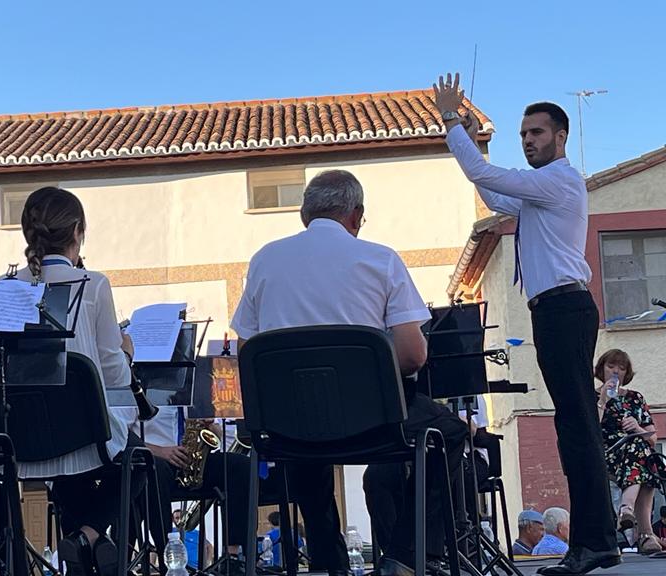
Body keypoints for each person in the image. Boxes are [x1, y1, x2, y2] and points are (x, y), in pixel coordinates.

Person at [231, 169, 467, 576]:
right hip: (372, 422)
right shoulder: (380, 259)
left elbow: (247, 351)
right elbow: (412, 356)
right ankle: (406, 558)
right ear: (356, 215)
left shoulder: (264, 260)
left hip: (288, 424)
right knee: (449, 433)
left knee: (307, 443)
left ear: (306, 214)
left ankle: (328, 562)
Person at [434, 73, 619, 575]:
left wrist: (451, 120)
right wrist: (473, 144)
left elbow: (489, 178)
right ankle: (597, 540)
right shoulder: (541, 192)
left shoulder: (559, 179)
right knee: (574, 425)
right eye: (523, 136)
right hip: (557, 309)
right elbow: (495, 195)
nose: (529, 141)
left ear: (560, 136)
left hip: (563, 308)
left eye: (536, 133)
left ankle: (595, 542)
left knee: (577, 427)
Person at [11, 186, 143, 576]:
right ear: (78, 232)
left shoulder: (7, 287)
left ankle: (82, 548)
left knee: (71, 460)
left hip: (24, 434)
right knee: (134, 455)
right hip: (83, 431)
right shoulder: (93, 284)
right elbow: (111, 369)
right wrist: (129, 353)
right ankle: (88, 534)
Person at [114, 404, 251, 574]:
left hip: (190, 461)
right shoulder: (138, 391)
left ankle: (232, 557)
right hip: (152, 459)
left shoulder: (190, 394)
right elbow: (119, 434)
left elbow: (216, 437)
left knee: (241, 466)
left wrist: (211, 427)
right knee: (156, 470)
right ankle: (168, 558)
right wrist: (161, 451)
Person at [594, 349, 661, 555]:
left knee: (642, 451)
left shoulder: (635, 398)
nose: (616, 372)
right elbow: (588, 430)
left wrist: (637, 428)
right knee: (642, 455)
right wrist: (603, 401)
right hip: (607, 452)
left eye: (621, 368)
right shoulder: (591, 394)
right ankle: (645, 532)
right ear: (602, 369)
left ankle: (626, 511)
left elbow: (652, 438)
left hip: (634, 451)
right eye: (611, 366)